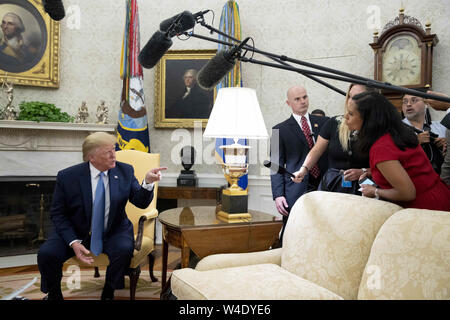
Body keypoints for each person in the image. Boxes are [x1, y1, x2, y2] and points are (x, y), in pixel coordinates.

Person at [37, 132, 167, 300]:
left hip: (114, 230)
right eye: (108, 152)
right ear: (92, 157)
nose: (114, 155)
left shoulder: (124, 171)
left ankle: (109, 290)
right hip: (76, 232)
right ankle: (54, 293)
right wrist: (73, 241)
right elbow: (57, 213)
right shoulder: (68, 177)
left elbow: (140, 202)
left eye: (114, 149)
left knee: (123, 249)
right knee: (46, 254)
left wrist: (148, 182)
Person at [345, 91, 450, 210]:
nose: (345, 116)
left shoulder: (381, 147)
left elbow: (407, 193)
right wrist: (371, 172)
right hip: (439, 196)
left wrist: (375, 191)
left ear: (368, 119)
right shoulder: (396, 133)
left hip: (426, 209)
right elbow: (408, 168)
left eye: (351, 113)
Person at [269, 86, 329, 243]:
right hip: (295, 189)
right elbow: (275, 165)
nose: (303, 101)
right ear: (288, 103)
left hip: (324, 187)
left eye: (305, 97)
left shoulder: (325, 123)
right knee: (293, 236)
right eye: (297, 99)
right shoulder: (278, 130)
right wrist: (278, 195)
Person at [292, 84, 373, 194]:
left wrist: (364, 171)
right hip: (332, 184)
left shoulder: (377, 128)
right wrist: (304, 169)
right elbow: (316, 150)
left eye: (357, 97)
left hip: (365, 186)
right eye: (349, 96)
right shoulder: (334, 123)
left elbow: (387, 169)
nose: (351, 101)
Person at [401, 92, 446, 174]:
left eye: (414, 100)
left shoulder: (441, 126)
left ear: (426, 104)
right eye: (405, 102)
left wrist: (447, 145)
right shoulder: (394, 130)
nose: (408, 104)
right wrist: (415, 142)